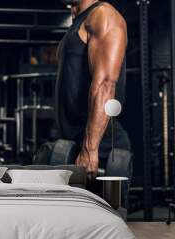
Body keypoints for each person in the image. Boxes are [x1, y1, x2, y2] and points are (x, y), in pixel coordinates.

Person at [56, 0, 131, 180]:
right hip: (73, 145)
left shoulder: (103, 15)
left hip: (99, 149)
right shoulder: (78, 23)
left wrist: (90, 149)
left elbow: (105, 84)